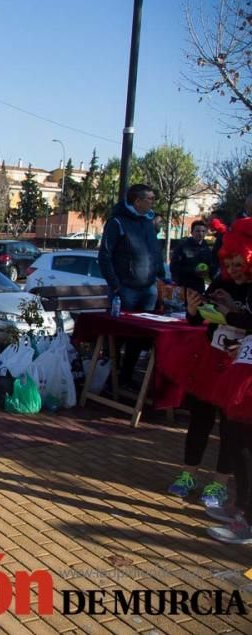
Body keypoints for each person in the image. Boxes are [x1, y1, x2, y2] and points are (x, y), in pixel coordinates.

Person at [203, 218, 252, 544]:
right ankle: (243, 508)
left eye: (239, 262)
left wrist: (231, 314)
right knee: (237, 442)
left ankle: (247, 520)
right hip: (245, 367)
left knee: (246, 445)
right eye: (229, 263)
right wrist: (231, 309)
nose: (233, 268)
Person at [97, 183, 165, 384]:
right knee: (118, 336)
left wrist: (159, 275)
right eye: (150, 199)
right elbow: (105, 255)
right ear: (137, 200)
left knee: (140, 336)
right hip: (125, 288)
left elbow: (154, 252)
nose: (153, 202)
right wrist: (115, 284)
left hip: (148, 289)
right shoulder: (117, 222)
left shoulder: (148, 222)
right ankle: (112, 378)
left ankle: (127, 375)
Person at [170, 220, 216, 292]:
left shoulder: (205, 246)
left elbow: (210, 264)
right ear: (192, 232)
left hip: (199, 284)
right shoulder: (183, 246)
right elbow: (174, 266)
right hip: (184, 285)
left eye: (203, 231)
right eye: (197, 231)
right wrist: (193, 270)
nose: (200, 234)